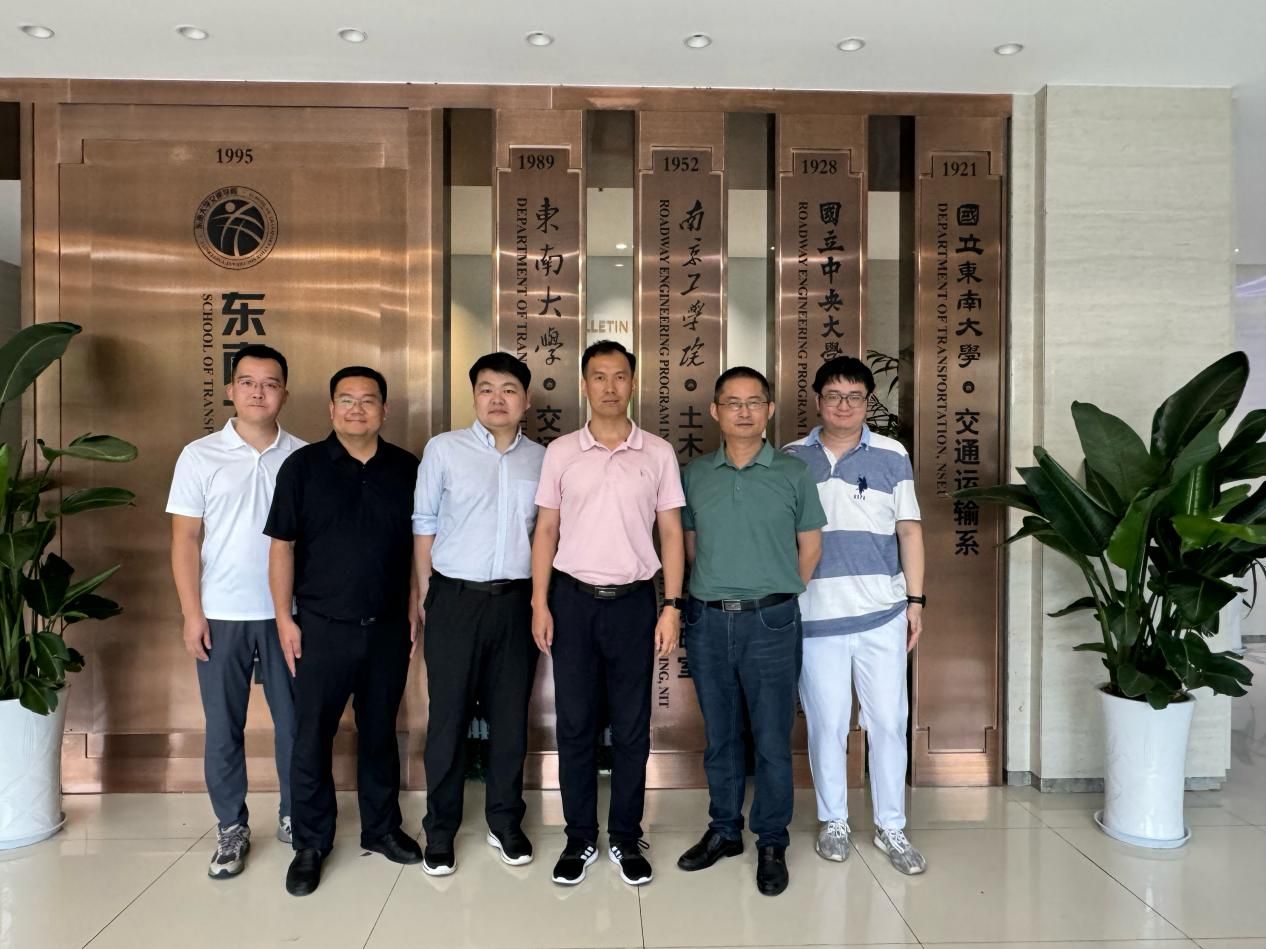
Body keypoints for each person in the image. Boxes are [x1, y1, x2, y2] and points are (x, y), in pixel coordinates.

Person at [530, 340, 686, 888]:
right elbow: (546, 530)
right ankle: (579, 837)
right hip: (572, 602)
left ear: (633, 383)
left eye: (620, 376)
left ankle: (624, 834)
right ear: (584, 384)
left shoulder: (658, 453)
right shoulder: (561, 452)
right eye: (599, 376)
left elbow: (671, 534)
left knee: (632, 727)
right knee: (574, 724)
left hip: (635, 604)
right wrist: (539, 602)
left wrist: (671, 606)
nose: (610, 386)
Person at [265, 366, 422, 896]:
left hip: (387, 628)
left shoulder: (407, 469)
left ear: (385, 409)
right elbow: (282, 546)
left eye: (368, 400)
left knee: (380, 732)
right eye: (347, 400)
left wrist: (414, 608)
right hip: (319, 629)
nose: (357, 409)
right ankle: (311, 843)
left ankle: (382, 828)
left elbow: (418, 546)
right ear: (331, 409)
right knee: (312, 737)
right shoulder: (302, 467)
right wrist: (284, 617)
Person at [676, 366, 826, 897]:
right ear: (715, 411)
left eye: (753, 402)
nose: (743, 411)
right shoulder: (695, 475)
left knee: (771, 737)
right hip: (708, 619)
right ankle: (724, 830)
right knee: (719, 735)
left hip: (771, 620)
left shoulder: (793, 473)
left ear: (769, 410)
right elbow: (690, 546)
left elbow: (811, 547)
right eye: (732, 402)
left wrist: (777, 590)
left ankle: (771, 840)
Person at [783, 355, 928, 875]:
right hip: (814, 616)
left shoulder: (892, 454)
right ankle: (834, 821)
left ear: (868, 402)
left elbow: (908, 530)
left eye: (855, 397)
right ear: (817, 400)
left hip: (881, 613)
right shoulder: (791, 457)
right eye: (834, 396)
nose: (844, 406)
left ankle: (891, 826)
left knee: (888, 721)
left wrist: (916, 601)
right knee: (826, 724)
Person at [167, 344, 304, 879]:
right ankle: (231, 825)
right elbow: (185, 540)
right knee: (224, 725)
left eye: (270, 383)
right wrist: (191, 613)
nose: (258, 392)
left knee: (295, 723)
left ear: (285, 393)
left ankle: (294, 814)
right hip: (220, 613)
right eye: (247, 382)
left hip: (287, 614)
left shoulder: (304, 456)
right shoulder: (199, 455)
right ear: (230, 390)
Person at [412, 352, 545, 876]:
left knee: (510, 719)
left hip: (516, 602)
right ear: (474, 397)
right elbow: (424, 521)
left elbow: (547, 534)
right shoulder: (444, 450)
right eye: (486, 388)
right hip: (454, 599)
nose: (497, 398)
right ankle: (440, 829)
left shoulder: (543, 459)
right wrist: (428, 594)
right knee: (447, 719)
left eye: (509, 389)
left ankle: (504, 821)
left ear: (526, 400)